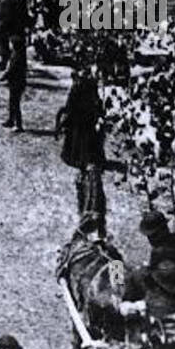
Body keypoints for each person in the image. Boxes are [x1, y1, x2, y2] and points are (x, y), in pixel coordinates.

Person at [55, 70, 108, 234]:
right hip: (88, 124)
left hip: (79, 123)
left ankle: (79, 158)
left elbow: (70, 107)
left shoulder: (77, 89)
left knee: (78, 144)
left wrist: (63, 122)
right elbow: (98, 105)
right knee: (87, 144)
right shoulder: (91, 90)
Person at [3, 31, 27, 131]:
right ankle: (11, 120)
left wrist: (4, 77)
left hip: (17, 83)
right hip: (15, 83)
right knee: (12, 102)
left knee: (15, 103)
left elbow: (11, 69)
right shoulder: (17, 54)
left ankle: (18, 124)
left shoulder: (17, 57)